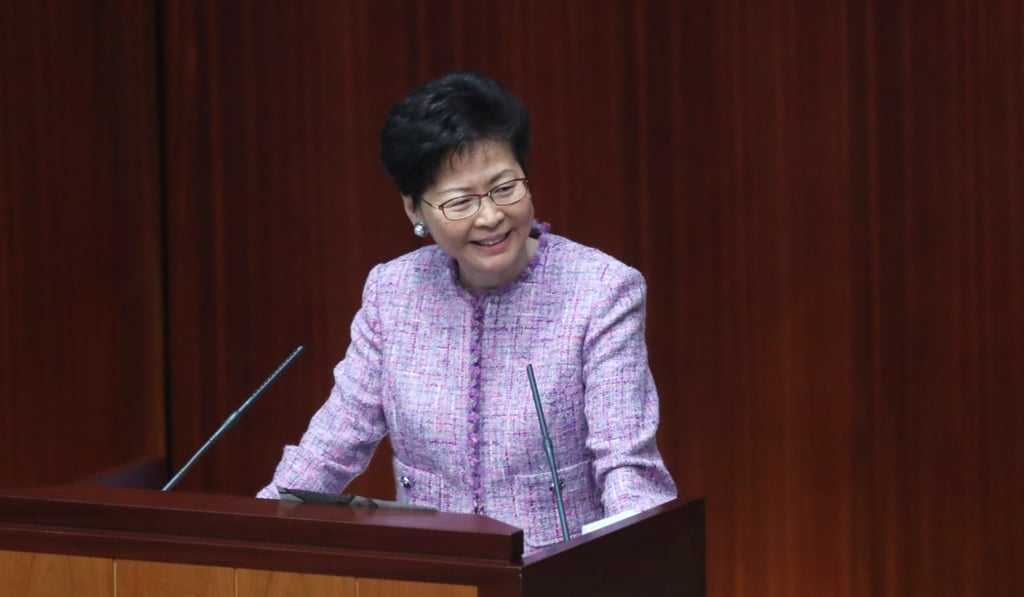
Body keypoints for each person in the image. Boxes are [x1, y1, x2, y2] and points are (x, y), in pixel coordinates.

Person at [258, 70, 676, 553]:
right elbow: (333, 445)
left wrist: (639, 561)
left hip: (556, 580)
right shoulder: (392, 293)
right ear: (414, 210)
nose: (491, 216)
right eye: (461, 201)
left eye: (504, 188)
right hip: (433, 577)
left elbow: (627, 465)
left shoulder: (601, 290)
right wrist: (258, 532)